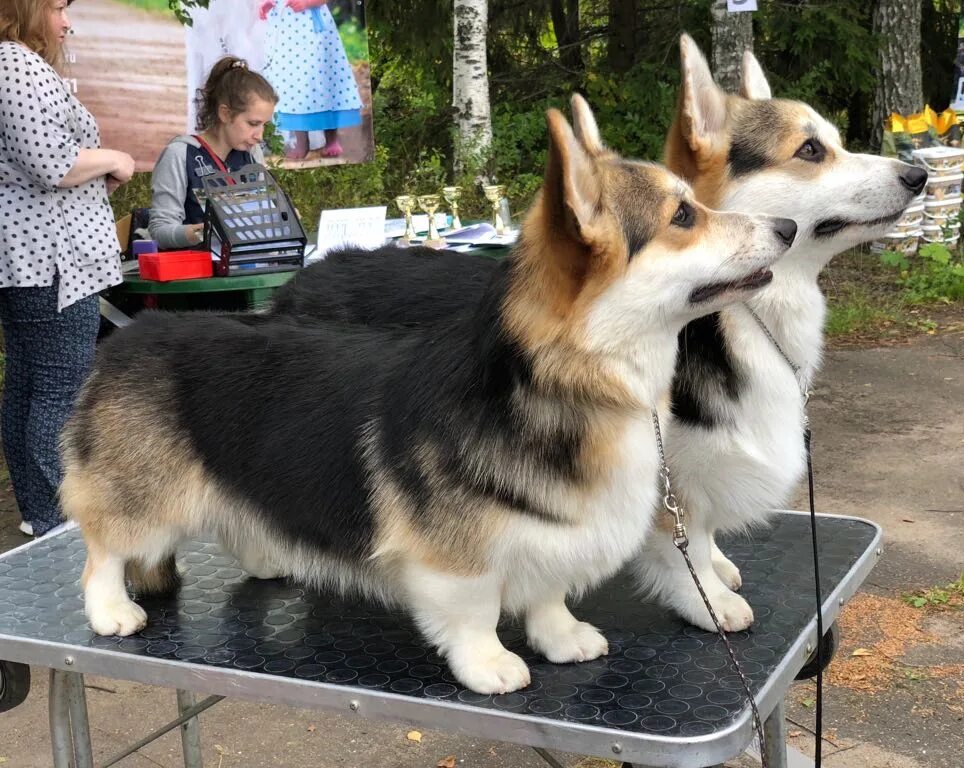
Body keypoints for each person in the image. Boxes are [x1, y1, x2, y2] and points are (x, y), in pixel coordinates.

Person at [0, 0, 135, 537]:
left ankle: (40, 517)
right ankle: (69, 523)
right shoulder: (16, 63)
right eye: (58, 7)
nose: (66, 21)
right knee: (59, 390)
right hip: (54, 261)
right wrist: (112, 158)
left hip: (31, 258)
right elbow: (53, 163)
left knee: (30, 386)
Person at [149, 56, 278, 250]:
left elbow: (263, 216)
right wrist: (205, 232)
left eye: (264, 125)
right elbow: (160, 231)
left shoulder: (253, 153)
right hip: (196, 272)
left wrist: (281, 218)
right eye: (253, 124)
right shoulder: (180, 154)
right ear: (225, 113)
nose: (259, 135)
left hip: (247, 266)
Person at [258, 0, 362, 160]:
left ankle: (332, 139)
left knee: (322, 79)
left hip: (314, 30)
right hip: (286, 31)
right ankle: (301, 141)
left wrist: (308, 2)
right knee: (292, 84)